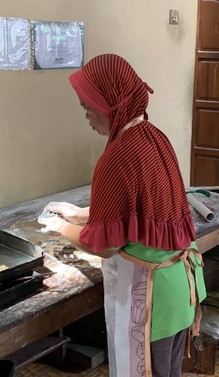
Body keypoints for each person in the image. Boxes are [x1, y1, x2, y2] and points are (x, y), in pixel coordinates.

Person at [38, 53, 206, 377]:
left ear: (112, 103)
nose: (87, 115)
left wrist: (60, 227)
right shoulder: (154, 137)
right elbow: (141, 207)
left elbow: (104, 247)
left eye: (90, 105)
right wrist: (83, 214)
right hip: (179, 292)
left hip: (151, 301)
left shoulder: (116, 156)